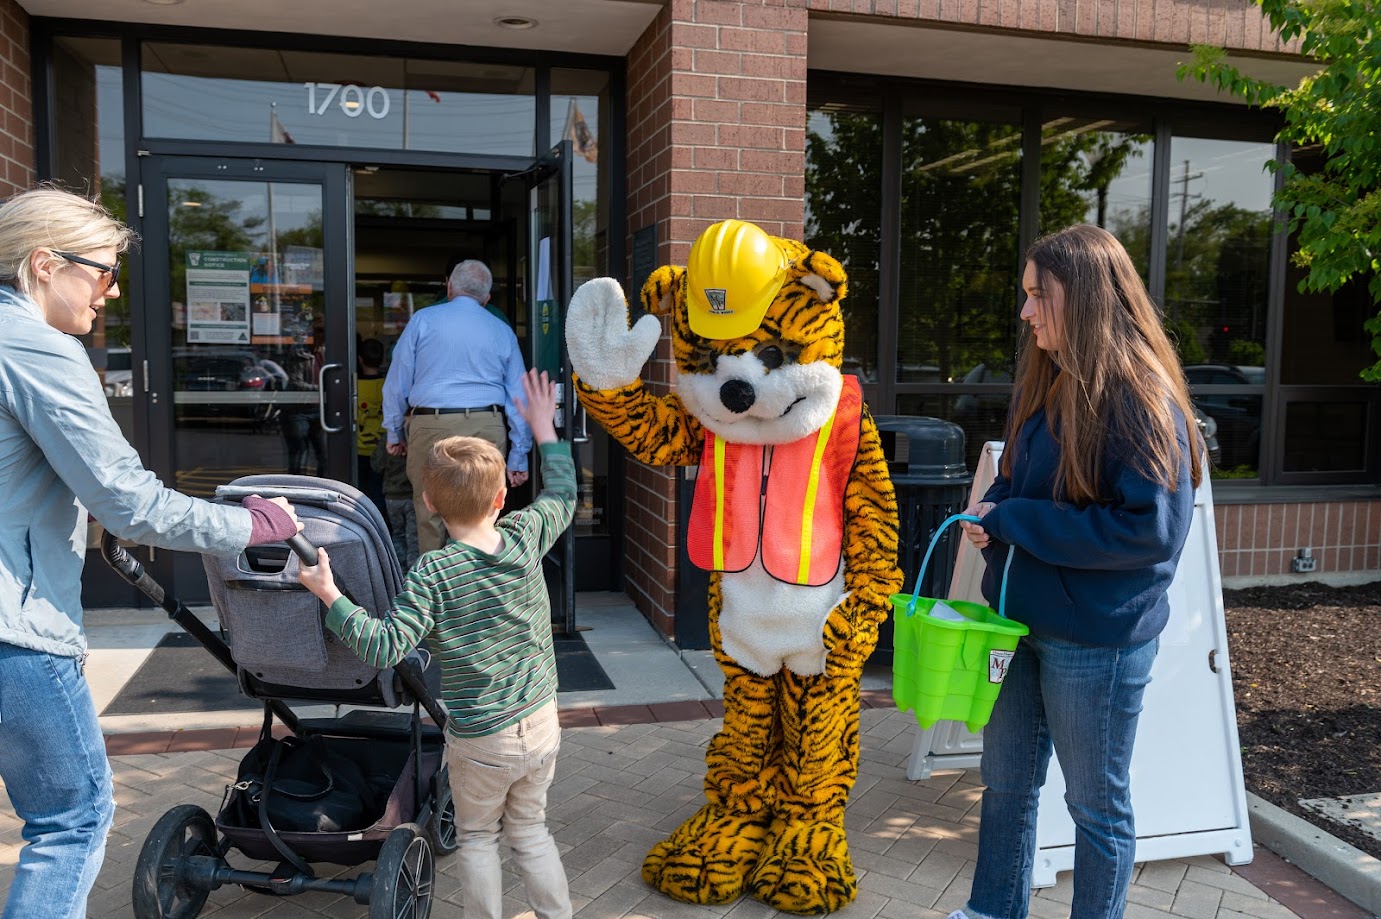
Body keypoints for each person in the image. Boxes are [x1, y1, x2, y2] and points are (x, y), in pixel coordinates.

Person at [0, 186, 302, 919]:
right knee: (71, 817)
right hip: (15, 627)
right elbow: (129, 499)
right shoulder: (39, 349)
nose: (108, 294)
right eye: (102, 273)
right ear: (44, 264)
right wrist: (256, 525)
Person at [951, 224, 1203, 919]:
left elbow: (1146, 531)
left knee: (1094, 806)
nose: (1025, 311)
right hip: (1018, 622)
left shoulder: (1140, 401)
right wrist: (994, 505)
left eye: (1039, 295)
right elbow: (1017, 482)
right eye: (1026, 295)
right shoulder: (1048, 382)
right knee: (1003, 780)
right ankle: (990, 909)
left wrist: (1013, 522)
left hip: (1096, 641)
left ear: (1086, 297)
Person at [299, 368, 575, 919]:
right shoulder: (525, 536)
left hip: (481, 737)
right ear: (502, 497)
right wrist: (543, 428)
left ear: (428, 501)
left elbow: (384, 646)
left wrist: (330, 595)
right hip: (541, 721)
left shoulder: (433, 572)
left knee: (477, 839)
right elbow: (564, 491)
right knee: (531, 830)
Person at [382, 259, 532, 554]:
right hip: (486, 424)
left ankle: (435, 589)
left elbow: (396, 383)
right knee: (483, 510)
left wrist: (393, 432)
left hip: (430, 425)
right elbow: (519, 397)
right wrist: (519, 456)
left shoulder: (422, 321)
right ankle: (477, 585)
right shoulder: (501, 331)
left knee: (429, 511)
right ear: (486, 298)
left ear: (449, 286)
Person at [371, 437, 418, 569]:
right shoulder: (415, 437)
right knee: (413, 538)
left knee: (397, 534)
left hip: (392, 497)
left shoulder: (389, 440)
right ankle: (413, 573)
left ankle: (398, 571)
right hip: (411, 496)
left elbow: (376, 465)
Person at [355, 337, 388, 512]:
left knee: (360, 489)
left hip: (359, 448)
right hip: (382, 447)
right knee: (379, 489)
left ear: (360, 359)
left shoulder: (354, 386)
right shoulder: (387, 385)